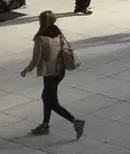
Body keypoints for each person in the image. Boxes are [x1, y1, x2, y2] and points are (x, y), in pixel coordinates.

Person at [19, 11, 84, 139]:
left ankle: (76, 122)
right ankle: (45, 124)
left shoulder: (40, 38)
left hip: (49, 73)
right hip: (60, 71)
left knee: (52, 102)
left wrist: (27, 69)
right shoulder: (57, 32)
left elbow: (35, 59)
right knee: (46, 97)